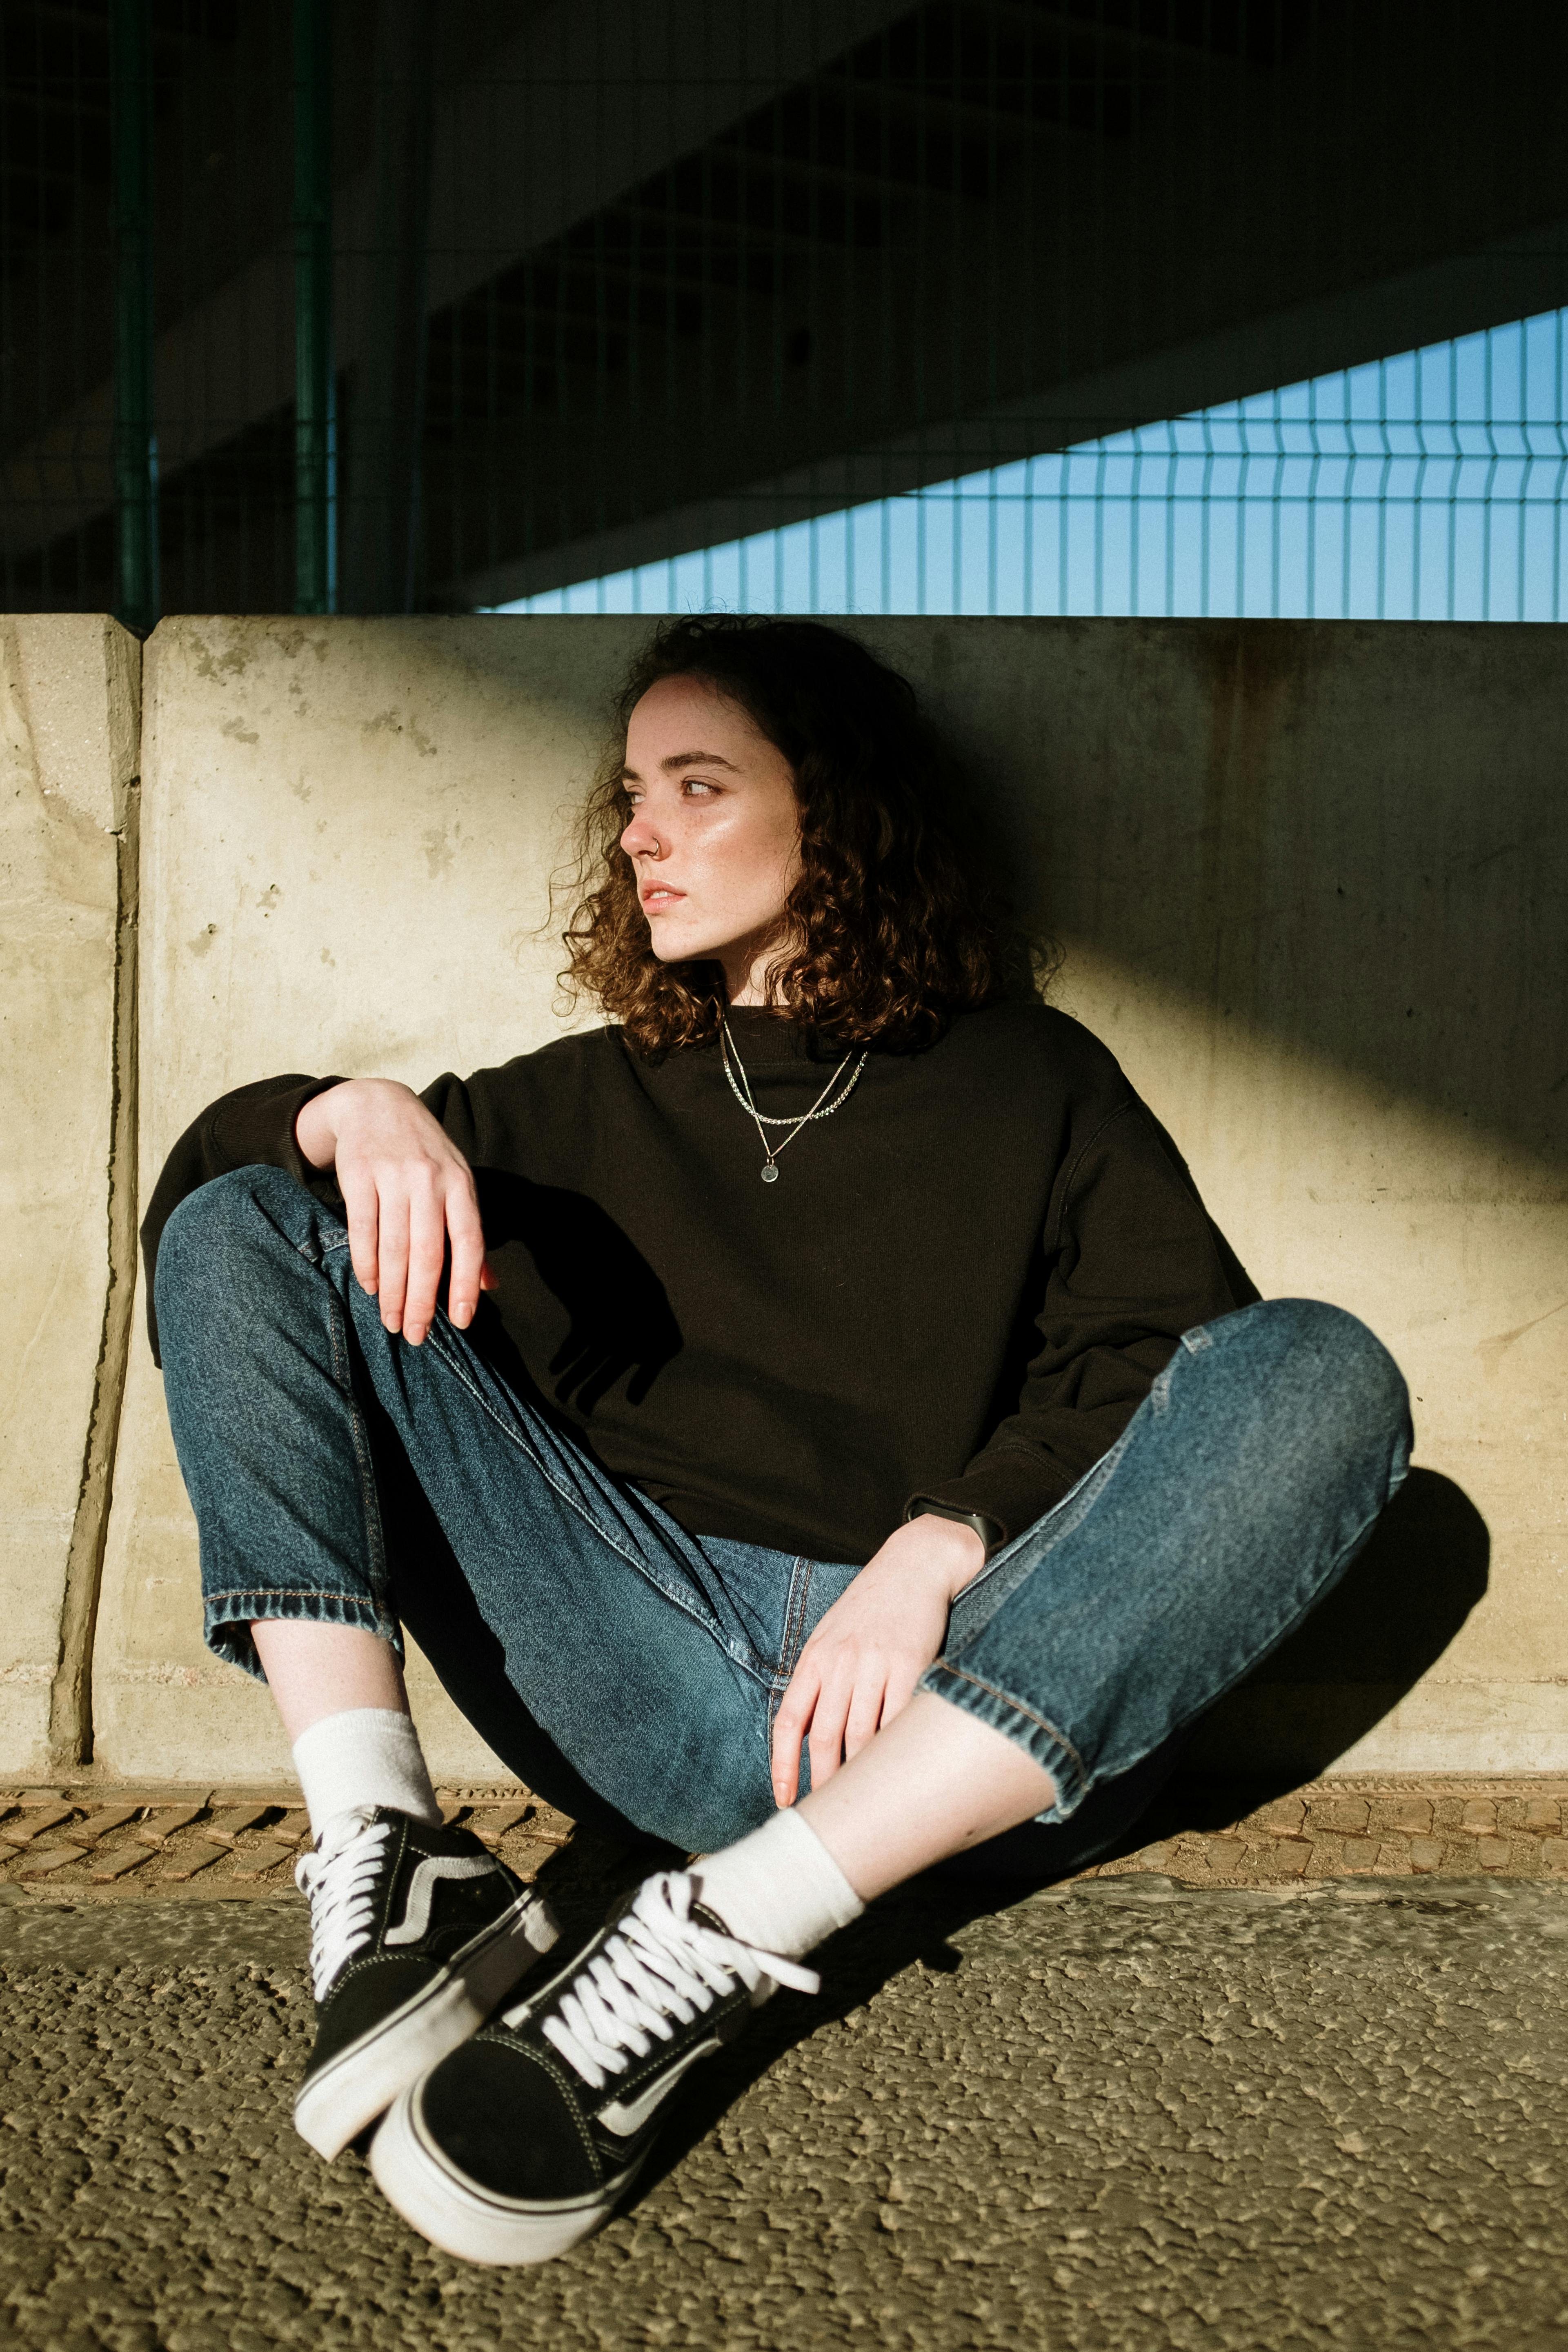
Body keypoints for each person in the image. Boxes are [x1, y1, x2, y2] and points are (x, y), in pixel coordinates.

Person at [144, 616, 1410, 2267]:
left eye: (696, 784)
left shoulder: (1031, 1079)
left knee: (1323, 1370)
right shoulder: (587, 1099)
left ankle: (737, 1919)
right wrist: (337, 1109)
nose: (639, 834)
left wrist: (944, 1540)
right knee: (254, 1210)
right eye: (629, 795)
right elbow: (205, 1232)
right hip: (643, 1674)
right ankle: (388, 1849)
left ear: (836, 810)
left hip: (957, 1721)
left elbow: (1176, 1366)